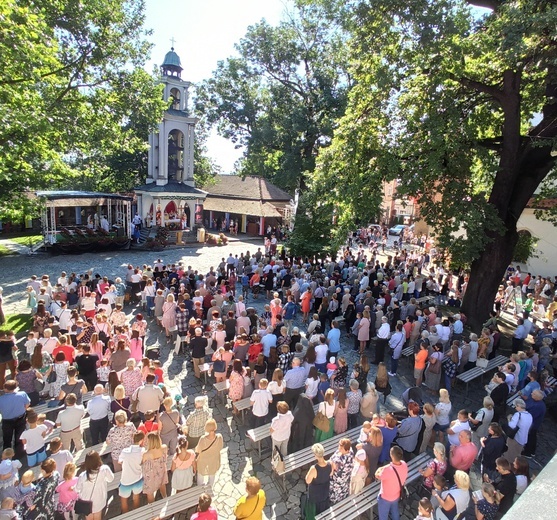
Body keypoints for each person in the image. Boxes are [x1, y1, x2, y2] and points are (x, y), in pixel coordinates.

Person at [75, 451, 114, 520]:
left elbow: (77, 489)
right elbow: (111, 479)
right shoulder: (104, 469)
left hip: (86, 501)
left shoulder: (82, 476)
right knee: (98, 517)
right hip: (99, 500)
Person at [375, 446, 408, 520]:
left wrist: (380, 468)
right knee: (395, 511)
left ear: (391, 456)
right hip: (396, 495)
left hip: (385, 498)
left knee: (383, 516)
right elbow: (392, 466)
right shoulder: (404, 464)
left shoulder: (387, 471)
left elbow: (377, 475)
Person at [0, 381, 30, 459]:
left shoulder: (1, 399)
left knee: (7, 439)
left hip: (7, 421)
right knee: (19, 437)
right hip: (20, 418)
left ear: (5, 389)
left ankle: (6, 456)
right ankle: (19, 454)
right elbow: (27, 404)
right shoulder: (22, 394)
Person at [118, 431, 145, 513]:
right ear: (141, 440)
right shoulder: (142, 450)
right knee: (136, 498)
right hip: (138, 478)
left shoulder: (125, 451)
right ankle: (136, 514)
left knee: (124, 500)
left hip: (126, 480)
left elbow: (119, 461)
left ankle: (126, 515)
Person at [304, 443, 332, 519]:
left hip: (315, 496)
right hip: (324, 494)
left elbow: (308, 481)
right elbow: (331, 474)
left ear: (315, 455)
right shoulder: (330, 464)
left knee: (312, 515)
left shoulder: (314, 468)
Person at [195, 419, 224, 489]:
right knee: (212, 474)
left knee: (201, 474)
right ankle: (210, 487)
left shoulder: (203, 439)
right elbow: (220, 447)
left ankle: (200, 488)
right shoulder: (219, 437)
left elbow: (198, 450)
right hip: (214, 458)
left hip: (203, 459)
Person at [141, 432, 168, 504]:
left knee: (150, 492)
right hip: (161, 471)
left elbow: (143, 463)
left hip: (151, 475)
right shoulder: (164, 448)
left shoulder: (146, 454)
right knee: (162, 484)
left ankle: (152, 506)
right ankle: (164, 497)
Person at [504, 398, 532, 463]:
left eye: (516, 406)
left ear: (519, 406)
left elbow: (511, 426)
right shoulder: (530, 416)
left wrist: (509, 419)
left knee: (509, 454)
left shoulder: (518, 415)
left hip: (515, 438)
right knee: (517, 455)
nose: (515, 408)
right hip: (523, 439)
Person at [329, 438, 355, 504]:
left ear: (346, 450)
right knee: (344, 491)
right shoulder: (350, 451)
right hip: (345, 479)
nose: (339, 449)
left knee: (336, 495)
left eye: (341, 448)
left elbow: (332, 469)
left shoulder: (339, 461)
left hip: (337, 481)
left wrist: (331, 462)